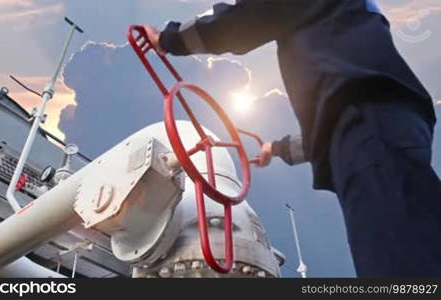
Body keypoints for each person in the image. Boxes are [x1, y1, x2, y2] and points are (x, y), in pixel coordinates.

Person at [142, 0, 441, 277]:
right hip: (380, 126)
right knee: (404, 241)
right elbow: (333, 129)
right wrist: (279, 149)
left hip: (368, 123)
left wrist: (168, 40)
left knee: (397, 256)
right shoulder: (343, 28)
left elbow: (247, 18)